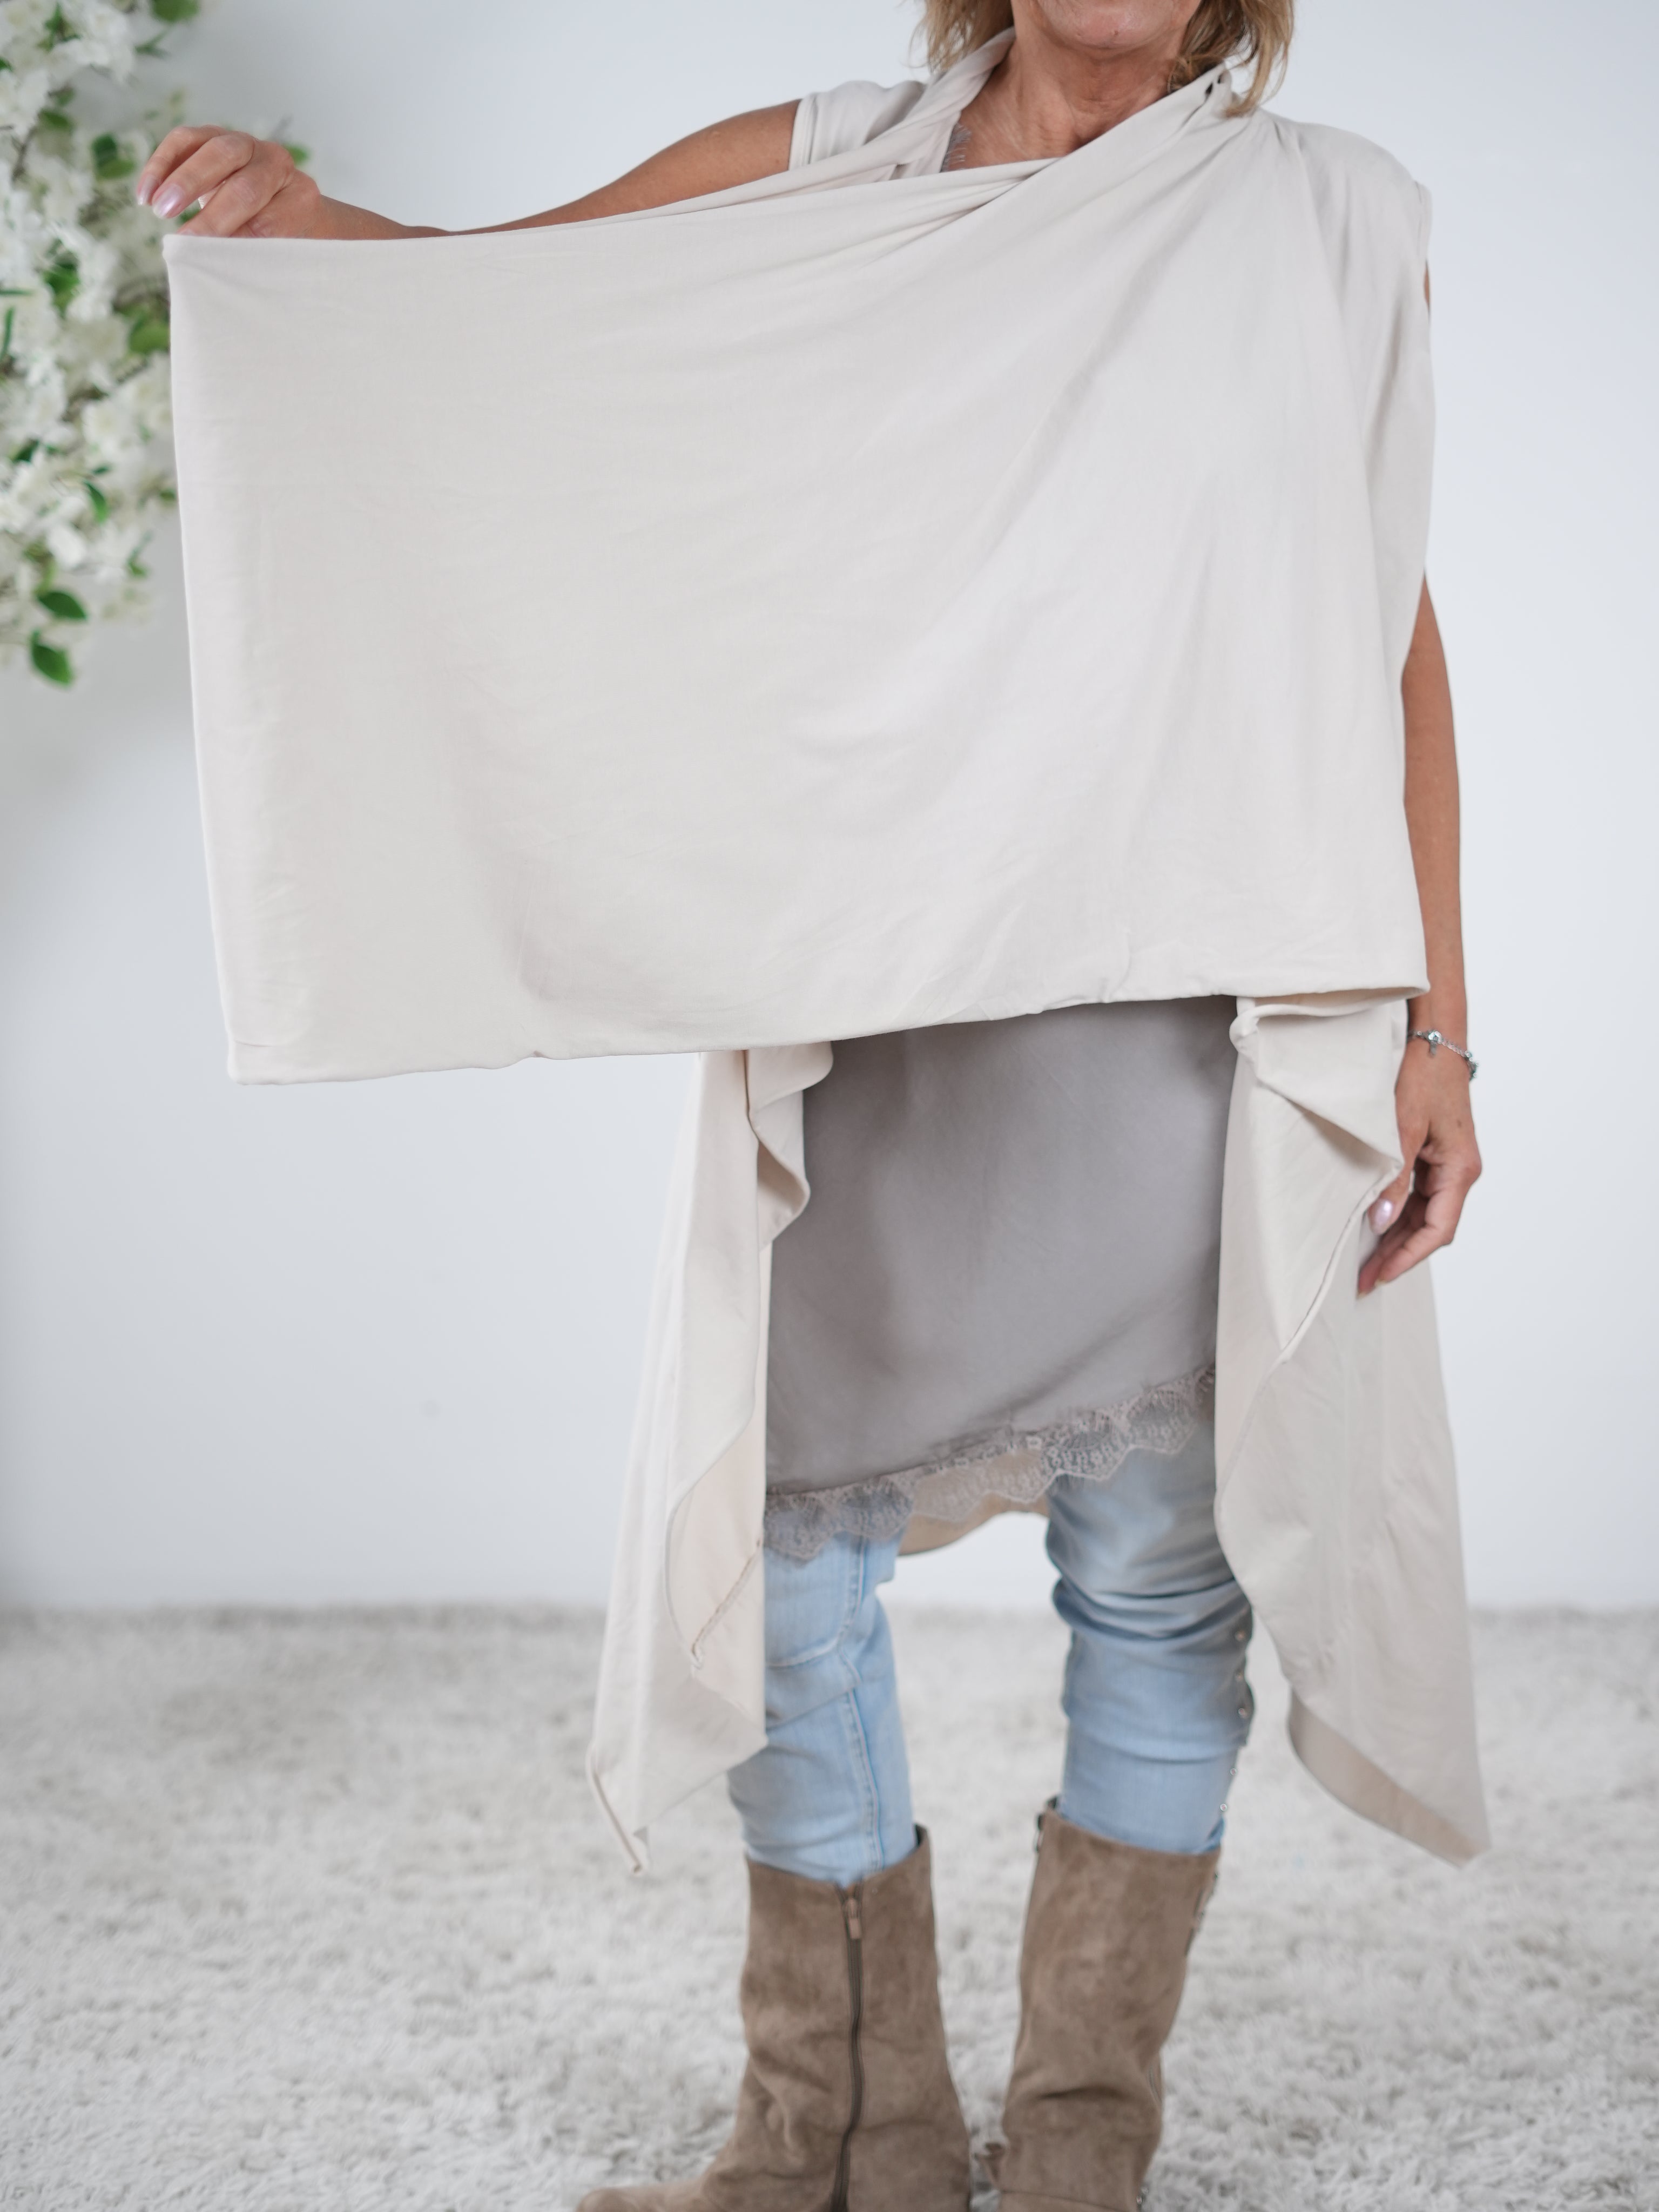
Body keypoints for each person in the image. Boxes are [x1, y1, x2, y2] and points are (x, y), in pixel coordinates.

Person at [139, 4, 1483, 2206]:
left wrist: (1443, 1028)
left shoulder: (1329, 220)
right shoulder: (832, 167)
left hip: (1183, 1020)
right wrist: (306, 230)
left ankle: (1079, 2147)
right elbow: (507, 329)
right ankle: (839, 2135)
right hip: (870, 1001)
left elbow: (1390, 636)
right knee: (777, 1567)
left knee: (1161, 1575)